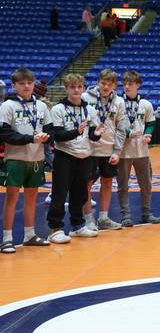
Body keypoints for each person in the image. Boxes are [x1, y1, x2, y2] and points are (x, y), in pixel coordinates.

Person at [0, 68, 53, 253]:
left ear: (34, 84)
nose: (26, 86)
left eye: (29, 83)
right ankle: (6, 238)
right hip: (15, 158)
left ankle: (29, 235)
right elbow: (5, 133)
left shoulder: (41, 106)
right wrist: (30, 139)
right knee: (12, 198)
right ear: (14, 85)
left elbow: (49, 128)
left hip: (36, 159)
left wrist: (47, 136)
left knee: (32, 197)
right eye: (22, 83)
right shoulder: (7, 106)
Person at [46, 73, 102, 243]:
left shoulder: (90, 109)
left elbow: (91, 134)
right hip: (65, 156)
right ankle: (55, 229)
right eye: (72, 87)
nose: (76, 90)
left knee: (81, 193)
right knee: (60, 193)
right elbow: (58, 136)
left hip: (85, 155)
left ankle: (78, 226)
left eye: (79, 87)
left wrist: (96, 134)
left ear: (83, 88)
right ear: (66, 88)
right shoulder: (58, 109)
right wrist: (76, 131)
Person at [82, 69, 128, 231]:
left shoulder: (119, 102)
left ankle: (103, 217)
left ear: (115, 85)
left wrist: (117, 151)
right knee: (86, 185)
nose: (106, 87)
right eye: (103, 83)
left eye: (109, 84)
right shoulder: (85, 98)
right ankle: (88, 219)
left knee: (107, 183)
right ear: (98, 82)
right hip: (88, 150)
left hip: (108, 150)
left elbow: (121, 129)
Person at [117, 71, 158, 226]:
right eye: (125, 83)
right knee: (123, 185)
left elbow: (151, 123)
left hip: (142, 150)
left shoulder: (146, 104)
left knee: (146, 184)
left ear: (138, 85)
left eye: (130, 84)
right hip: (123, 151)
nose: (127, 86)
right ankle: (125, 215)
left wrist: (147, 135)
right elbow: (113, 124)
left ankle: (146, 213)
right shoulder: (117, 102)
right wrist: (128, 133)